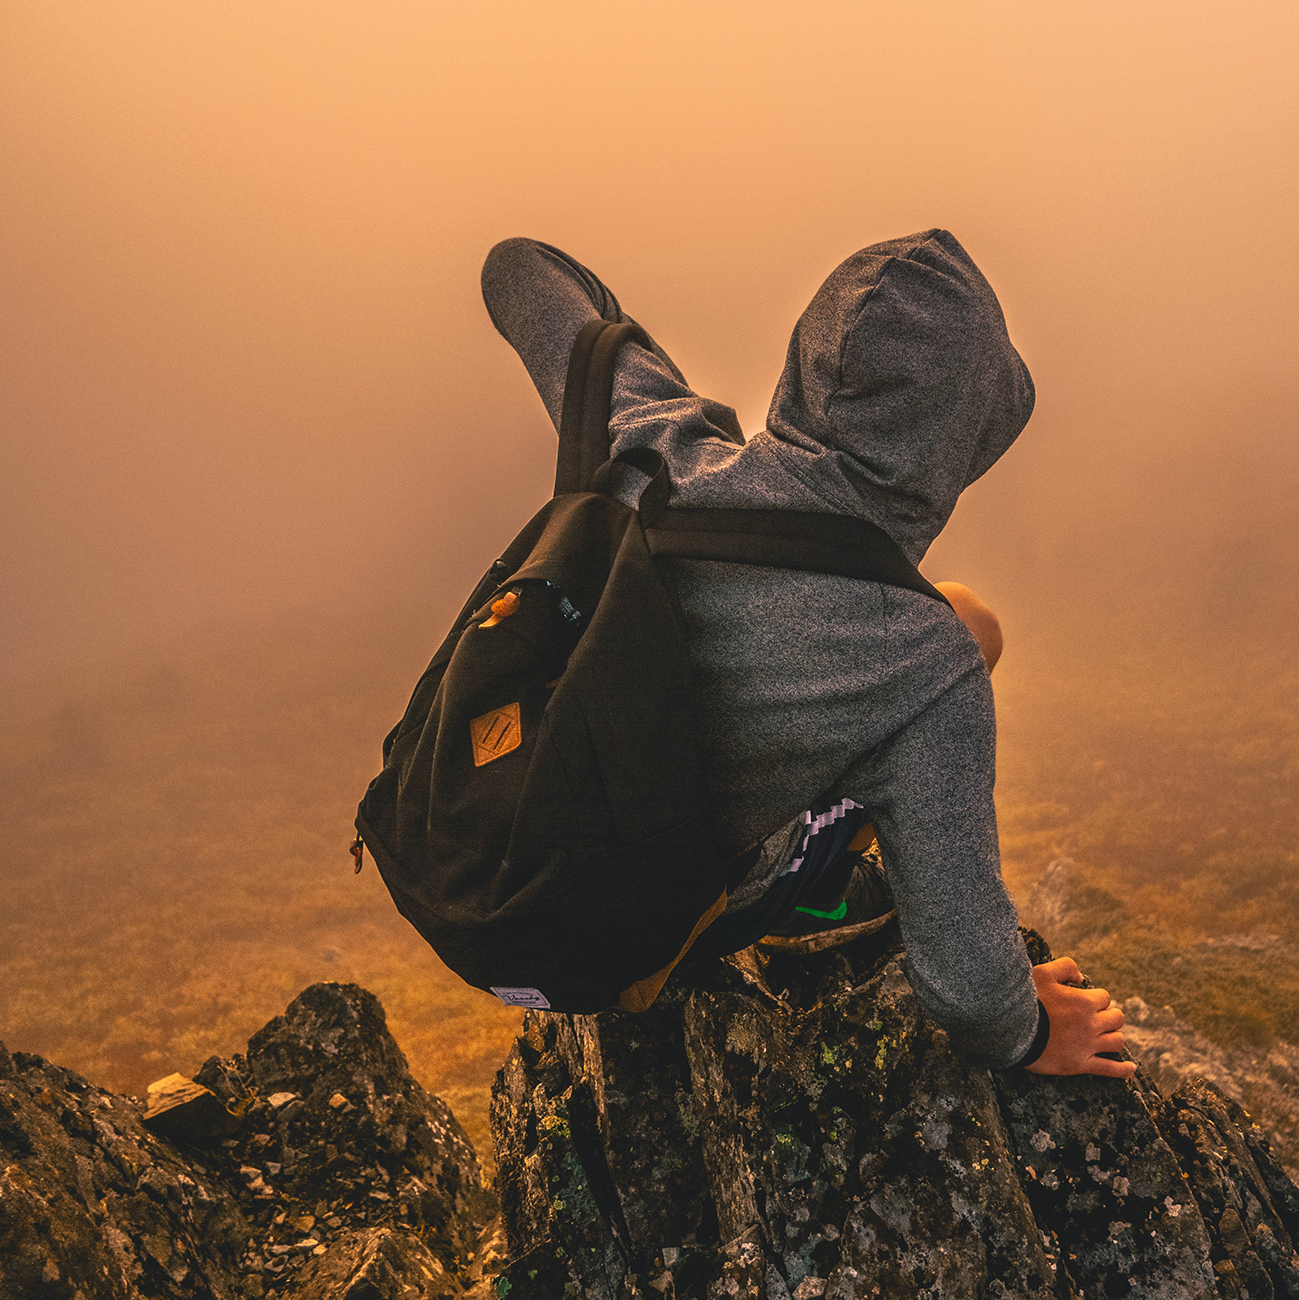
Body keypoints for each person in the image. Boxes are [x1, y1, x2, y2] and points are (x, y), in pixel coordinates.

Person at [480, 230, 1130, 1079]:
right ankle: (802, 892)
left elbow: (515, 270)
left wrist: (632, 364)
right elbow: (969, 991)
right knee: (961, 635)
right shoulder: (926, 669)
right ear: (959, 437)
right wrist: (1030, 1031)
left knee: (967, 619)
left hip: (483, 878)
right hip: (607, 952)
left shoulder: (656, 438)